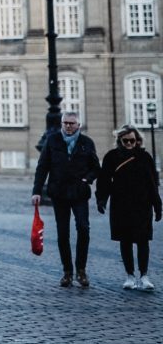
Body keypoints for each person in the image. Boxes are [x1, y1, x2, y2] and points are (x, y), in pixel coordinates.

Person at [32, 109, 101, 286]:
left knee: (83, 228)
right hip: (59, 192)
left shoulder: (86, 142)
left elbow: (96, 167)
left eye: (72, 123)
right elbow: (42, 167)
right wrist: (37, 191)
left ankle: (81, 270)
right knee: (63, 233)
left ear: (78, 125)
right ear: (62, 124)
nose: (68, 126)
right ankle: (67, 271)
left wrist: (88, 179)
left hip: (79, 192)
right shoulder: (53, 140)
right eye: (65, 123)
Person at [95, 127, 162, 290]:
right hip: (121, 205)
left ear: (138, 140)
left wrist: (157, 206)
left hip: (142, 204)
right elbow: (104, 180)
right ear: (120, 141)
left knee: (143, 241)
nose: (130, 144)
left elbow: (153, 183)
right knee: (125, 241)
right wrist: (101, 199)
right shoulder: (112, 156)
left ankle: (144, 275)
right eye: (126, 141)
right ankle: (130, 275)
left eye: (133, 140)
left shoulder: (145, 157)